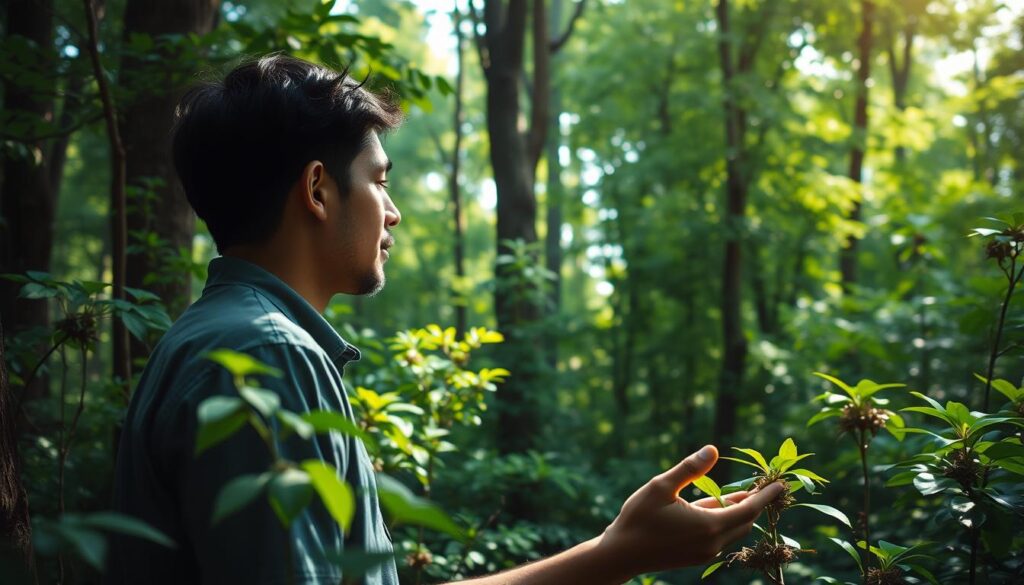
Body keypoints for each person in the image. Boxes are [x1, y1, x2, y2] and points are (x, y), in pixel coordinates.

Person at [108, 54, 783, 585]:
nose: (392, 211)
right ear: (317, 189)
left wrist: (617, 551)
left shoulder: (210, 339)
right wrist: (622, 554)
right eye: (379, 180)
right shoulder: (266, 354)